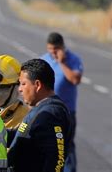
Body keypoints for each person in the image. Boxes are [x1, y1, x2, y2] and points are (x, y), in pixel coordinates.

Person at [8, 58, 72, 172]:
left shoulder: (52, 114)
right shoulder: (41, 109)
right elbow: (22, 134)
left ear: (37, 85)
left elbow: (57, 159)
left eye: (23, 84)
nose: (20, 89)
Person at [41, 32, 82, 172]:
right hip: (47, 111)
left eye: (56, 49)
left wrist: (61, 62)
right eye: (50, 49)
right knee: (47, 145)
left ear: (62, 47)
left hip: (67, 112)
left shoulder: (73, 60)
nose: (53, 52)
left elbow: (75, 80)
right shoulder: (44, 60)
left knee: (66, 146)